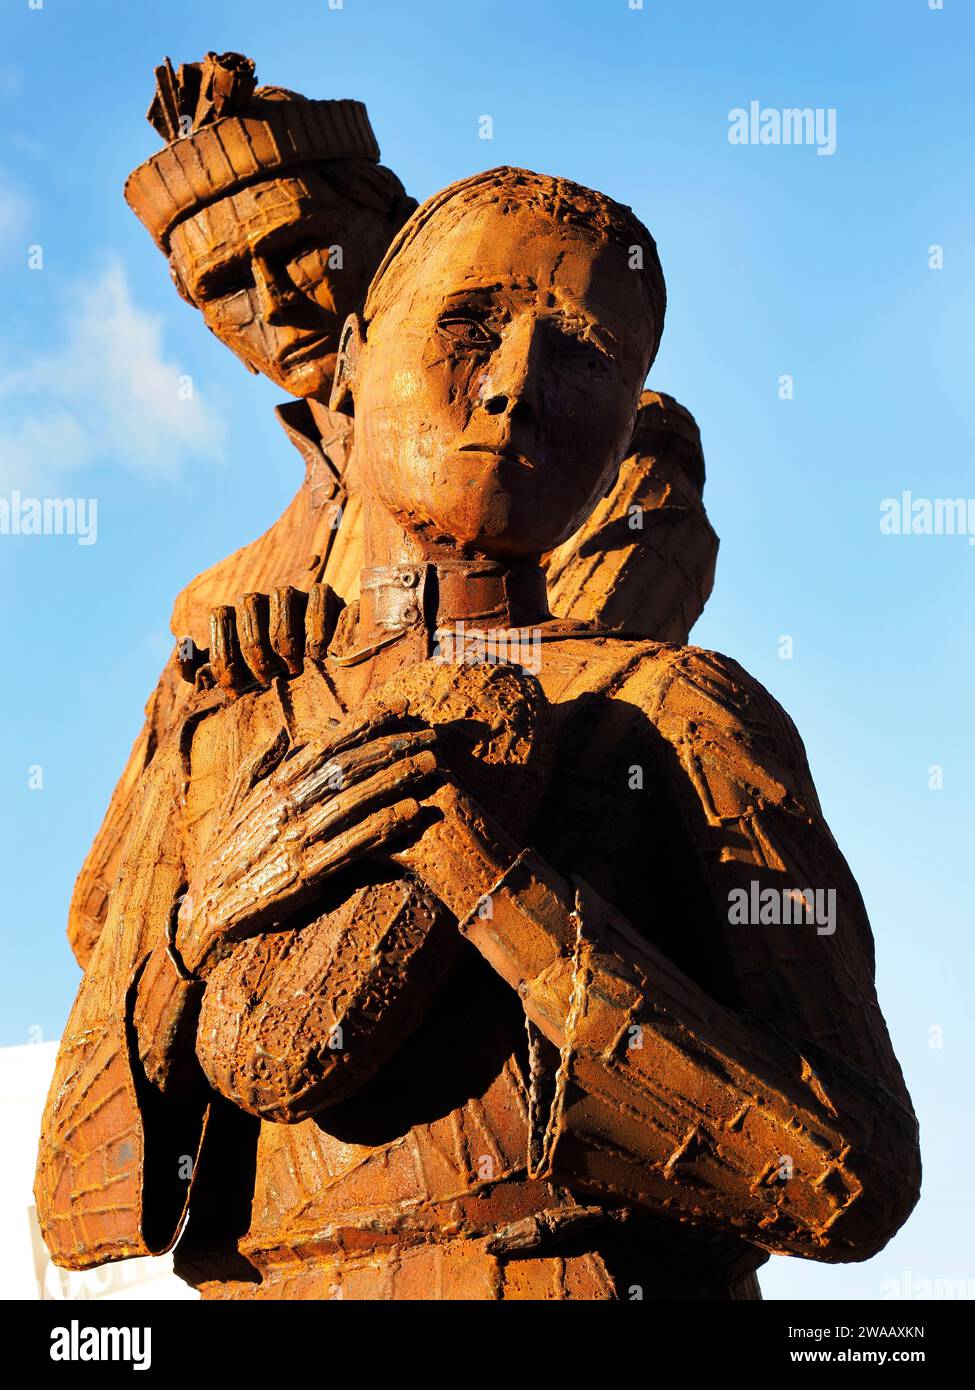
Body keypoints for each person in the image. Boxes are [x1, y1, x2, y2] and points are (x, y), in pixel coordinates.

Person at [36, 166, 919, 1300]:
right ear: (351, 361)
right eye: (469, 326)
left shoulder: (678, 708)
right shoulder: (228, 714)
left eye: (585, 357)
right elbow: (74, 1196)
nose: (515, 388)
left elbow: (852, 1174)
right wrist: (202, 922)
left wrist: (488, 881)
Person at [67, 53, 718, 972]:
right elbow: (101, 921)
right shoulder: (223, 597)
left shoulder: (596, 449)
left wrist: (318, 688)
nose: (274, 301)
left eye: (298, 244)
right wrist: (205, 712)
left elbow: (567, 700)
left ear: (390, 229)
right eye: (223, 286)